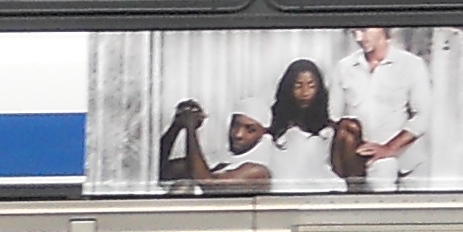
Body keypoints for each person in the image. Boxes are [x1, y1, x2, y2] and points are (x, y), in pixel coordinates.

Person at [163, 58, 343, 193]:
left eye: (250, 129)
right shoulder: (222, 159)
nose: (238, 135)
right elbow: (163, 171)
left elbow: (207, 184)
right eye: (235, 126)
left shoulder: (257, 171)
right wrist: (176, 126)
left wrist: (190, 129)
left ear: (263, 134)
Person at [332, 25, 436, 193]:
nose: (359, 38)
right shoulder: (344, 67)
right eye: (354, 33)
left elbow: (422, 115)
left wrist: (388, 148)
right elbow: (334, 116)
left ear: (381, 28)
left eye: (364, 30)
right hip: (359, 159)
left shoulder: (411, 65)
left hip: (405, 162)